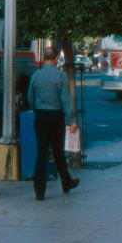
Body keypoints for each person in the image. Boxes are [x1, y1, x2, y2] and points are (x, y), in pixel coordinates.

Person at [27, 45, 79, 201]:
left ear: (44, 59)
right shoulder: (60, 75)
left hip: (41, 116)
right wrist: (71, 121)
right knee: (58, 152)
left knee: (41, 153)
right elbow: (65, 99)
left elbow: (30, 97)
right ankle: (66, 182)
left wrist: (37, 111)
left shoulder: (36, 75)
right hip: (56, 116)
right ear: (56, 58)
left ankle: (39, 191)